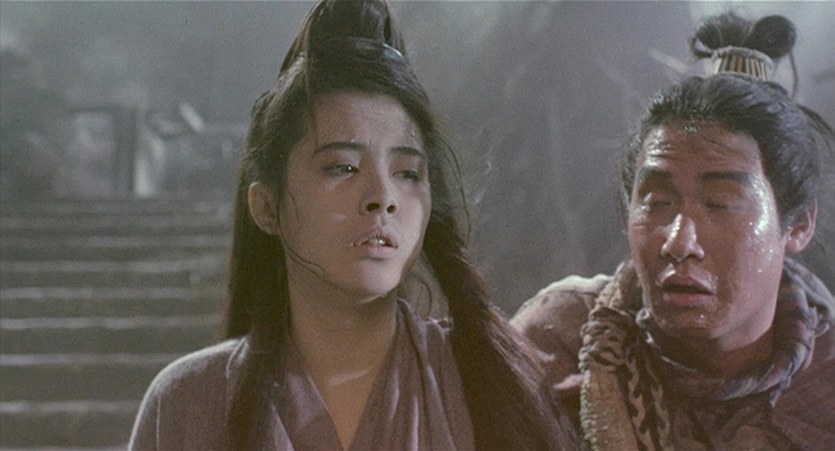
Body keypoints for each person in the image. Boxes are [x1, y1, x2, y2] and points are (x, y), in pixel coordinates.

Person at [129, 1, 574, 449]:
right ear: (266, 206)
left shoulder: (489, 384)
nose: (382, 196)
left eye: (407, 173)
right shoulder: (187, 402)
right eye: (342, 167)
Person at [512, 12, 834, 450]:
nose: (679, 241)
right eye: (657, 202)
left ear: (797, 225)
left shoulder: (825, 384)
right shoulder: (560, 339)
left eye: (720, 204)